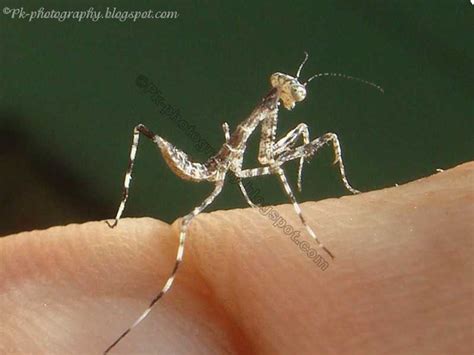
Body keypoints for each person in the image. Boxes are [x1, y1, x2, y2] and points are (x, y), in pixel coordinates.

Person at [1, 163, 472, 354]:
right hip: (206, 172)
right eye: (287, 90)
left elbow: (270, 158)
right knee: (186, 235)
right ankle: (145, 297)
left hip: (230, 174)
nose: (290, 97)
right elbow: (265, 168)